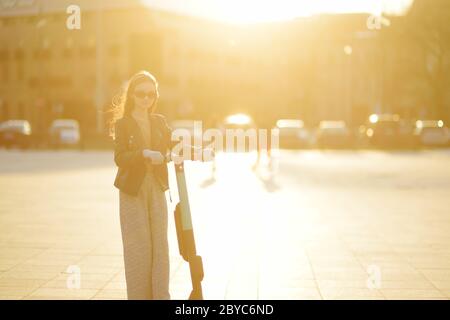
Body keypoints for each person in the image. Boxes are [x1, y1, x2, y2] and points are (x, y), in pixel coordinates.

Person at [110, 70, 174, 300]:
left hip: (156, 188)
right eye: (141, 94)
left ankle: (161, 297)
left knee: (160, 248)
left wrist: (196, 151)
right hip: (132, 191)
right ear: (132, 96)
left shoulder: (159, 122)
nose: (146, 99)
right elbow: (120, 158)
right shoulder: (124, 124)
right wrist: (144, 153)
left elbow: (172, 145)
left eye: (151, 94)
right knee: (139, 249)